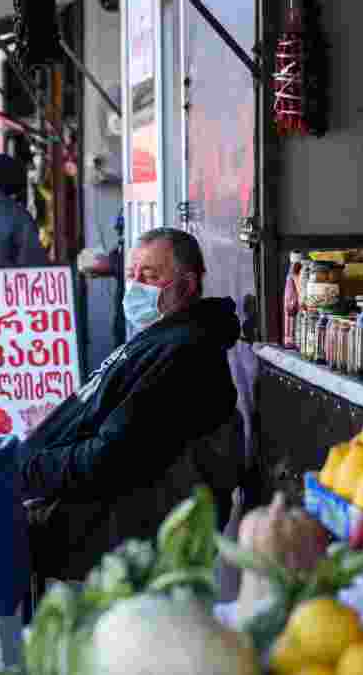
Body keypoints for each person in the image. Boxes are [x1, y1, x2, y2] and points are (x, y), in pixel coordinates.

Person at [18, 228, 244, 582]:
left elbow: (113, 454)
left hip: (120, 543)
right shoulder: (160, 338)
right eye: (131, 275)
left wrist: (25, 471)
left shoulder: (184, 352)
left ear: (186, 286)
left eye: (150, 276)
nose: (135, 284)